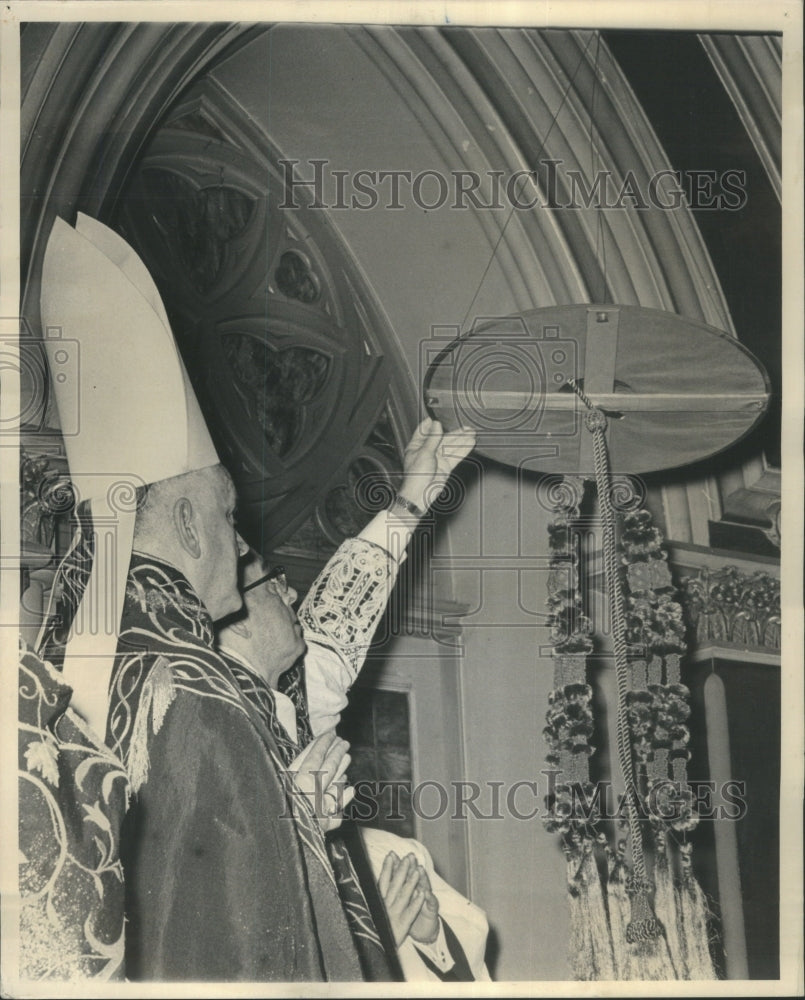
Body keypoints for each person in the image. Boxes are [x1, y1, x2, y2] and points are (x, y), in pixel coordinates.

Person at [35, 214, 387, 982]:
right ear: (192, 522)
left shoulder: (81, 666)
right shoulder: (202, 690)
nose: (239, 541)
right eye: (229, 517)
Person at [217, 418, 491, 981]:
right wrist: (372, 939)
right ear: (230, 615)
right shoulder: (204, 724)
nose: (292, 590)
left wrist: (415, 496)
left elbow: (342, 615)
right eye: (273, 581)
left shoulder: (286, 698)